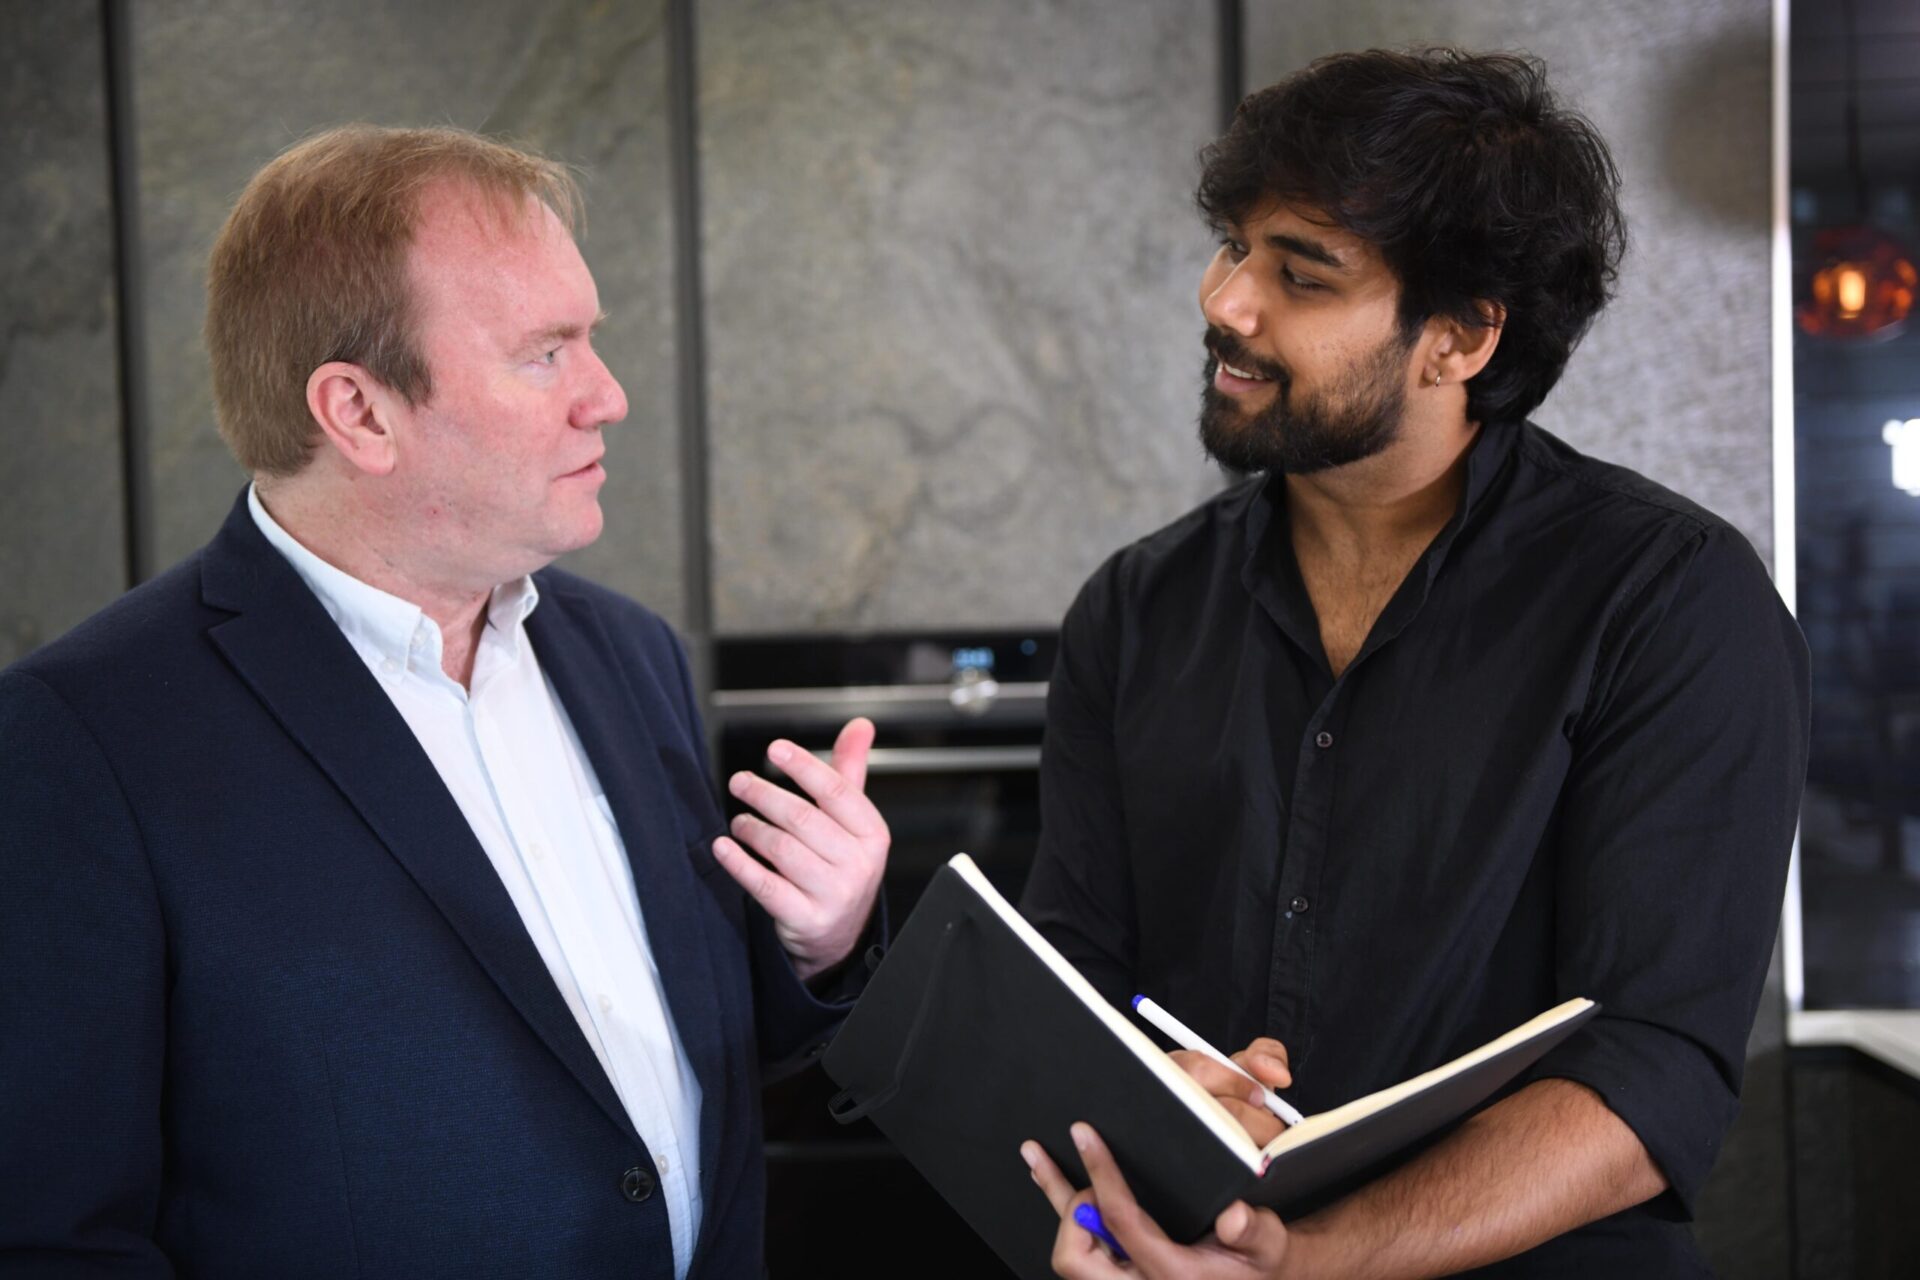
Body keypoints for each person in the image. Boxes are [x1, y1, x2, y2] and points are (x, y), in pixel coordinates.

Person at [0, 125, 889, 1279]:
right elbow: (50, 1238)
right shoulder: (80, 741)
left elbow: (650, 1058)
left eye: (592, 340)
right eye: (545, 354)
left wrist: (813, 947)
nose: (609, 396)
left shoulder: (633, 655)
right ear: (360, 412)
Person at [1015, 48, 1808, 1277]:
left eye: (1302, 274)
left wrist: (1304, 1257)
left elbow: (1649, 1068)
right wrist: (1136, 1112)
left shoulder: (1667, 599)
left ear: (1462, 337)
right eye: (1233, 245)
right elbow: (1067, 990)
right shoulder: (1135, 608)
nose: (1228, 301)